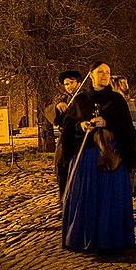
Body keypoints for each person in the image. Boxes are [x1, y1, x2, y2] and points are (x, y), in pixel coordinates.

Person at [61, 62, 136, 253]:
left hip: (110, 157)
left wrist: (108, 122)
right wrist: (81, 126)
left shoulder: (117, 100)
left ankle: (111, 239)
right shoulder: (80, 100)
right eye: (100, 72)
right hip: (86, 158)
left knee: (109, 199)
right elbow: (67, 126)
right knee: (85, 198)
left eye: (107, 72)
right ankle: (84, 237)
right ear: (91, 75)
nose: (104, 75)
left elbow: (126, 128)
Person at [52, 70, 82, 199]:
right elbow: (55, 119)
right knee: (61, 169)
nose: (69, 86)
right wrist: (58, 107)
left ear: (79, 83)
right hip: (64, 142)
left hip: (79, 141)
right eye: (66, 84)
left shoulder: (84, 98)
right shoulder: (65, 99)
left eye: (71, 82)